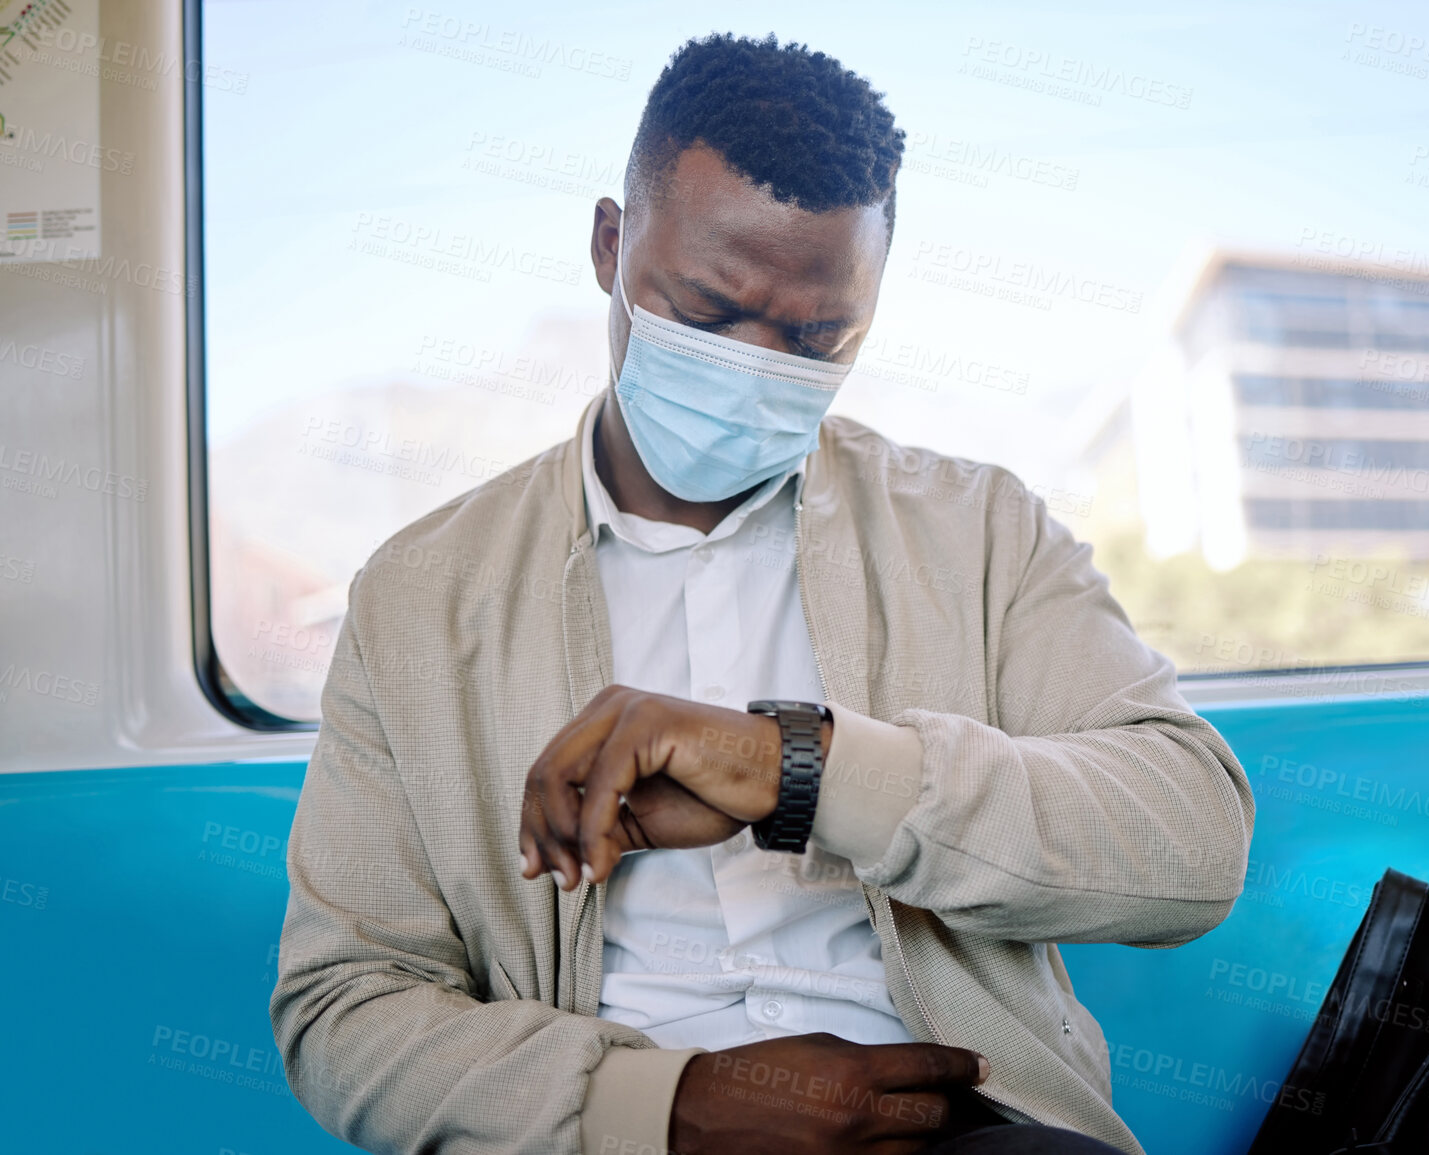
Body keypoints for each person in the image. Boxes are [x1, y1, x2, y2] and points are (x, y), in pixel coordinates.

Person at [270, 32, 1253, 1155]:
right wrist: (666, 1107)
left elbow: (1192, 848)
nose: (752, 365)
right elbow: (345, 1011)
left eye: (813, 337)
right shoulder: (419, 597)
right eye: (704, 311)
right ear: (609, 244)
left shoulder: (978, 528)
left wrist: (801, 769)